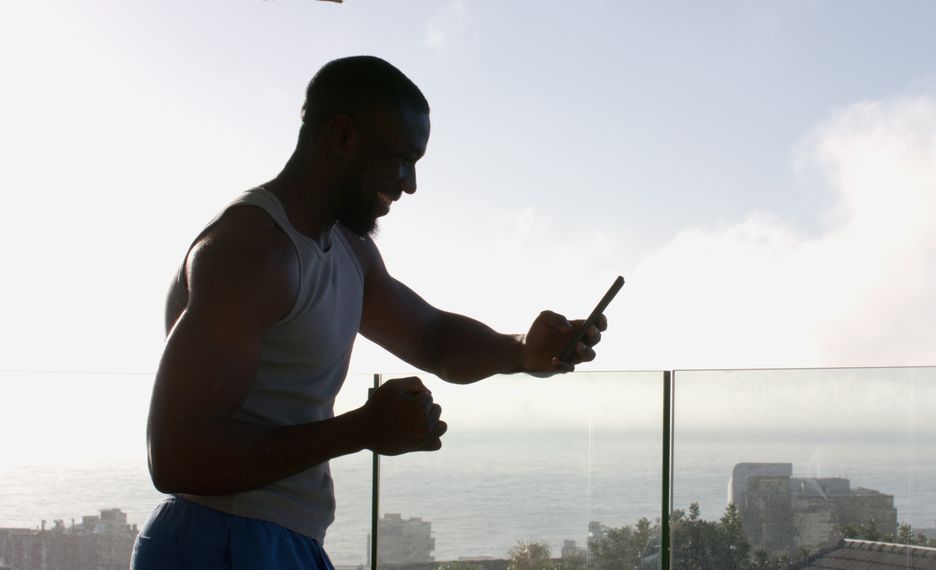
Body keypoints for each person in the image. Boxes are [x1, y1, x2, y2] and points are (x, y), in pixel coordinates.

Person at [131, 55, 607, 569]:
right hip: (216, 540)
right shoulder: (253, 251)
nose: (410, 183)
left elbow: (432, 338)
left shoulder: (348, 250)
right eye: (402, 159)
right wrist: (361, 429)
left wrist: (522, 350)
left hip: (280, 540)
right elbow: (177, 456)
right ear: (342, 135)